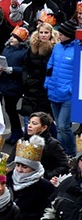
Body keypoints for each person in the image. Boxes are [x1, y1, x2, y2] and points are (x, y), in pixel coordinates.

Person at [7, 136, 54, 220]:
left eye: (24, 167)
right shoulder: (9, 178)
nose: (20, 170)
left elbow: (46, 211)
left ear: (33, 168)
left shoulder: (44, 186)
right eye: (18, 165)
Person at [45, 20, 80, 156]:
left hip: (67, 95)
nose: (58, 36)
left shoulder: (78, 49)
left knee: (63, 126)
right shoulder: (57, 47)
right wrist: (47, 83)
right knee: (59, 126)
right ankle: (62, 152)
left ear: (69, 35)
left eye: (61, 34)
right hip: (53, 91)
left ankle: (71, 152)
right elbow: (50, 66)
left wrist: (71, 89)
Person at [8, 112, 68, 181]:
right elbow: (10, 161)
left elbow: (64, 166)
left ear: (44, 127)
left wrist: (45, 175)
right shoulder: (22, 141)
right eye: (29, 122)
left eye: (34, 123)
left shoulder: (53, 144)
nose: (29, 126)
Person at [0, 26, 29, 145]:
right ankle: (15, 132)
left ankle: (17, 132)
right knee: (8, 109)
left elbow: (25, 69)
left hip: (15, 85)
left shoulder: (24, 52)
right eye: (12, 36)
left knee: (11, 109)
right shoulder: (6, 49)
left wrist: (12, 70)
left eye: (15, 37)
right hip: (4, 82)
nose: (12, 39)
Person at [21, 22, 57, 118]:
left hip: (45, 89)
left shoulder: (54, 48)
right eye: (41, 32)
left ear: (51, 34)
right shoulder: (32, 47)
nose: (43, 35)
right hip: (31, 87)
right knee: (30, 117)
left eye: (46, 32)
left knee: (45, 118)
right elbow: (25, 65)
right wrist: (26, 80)